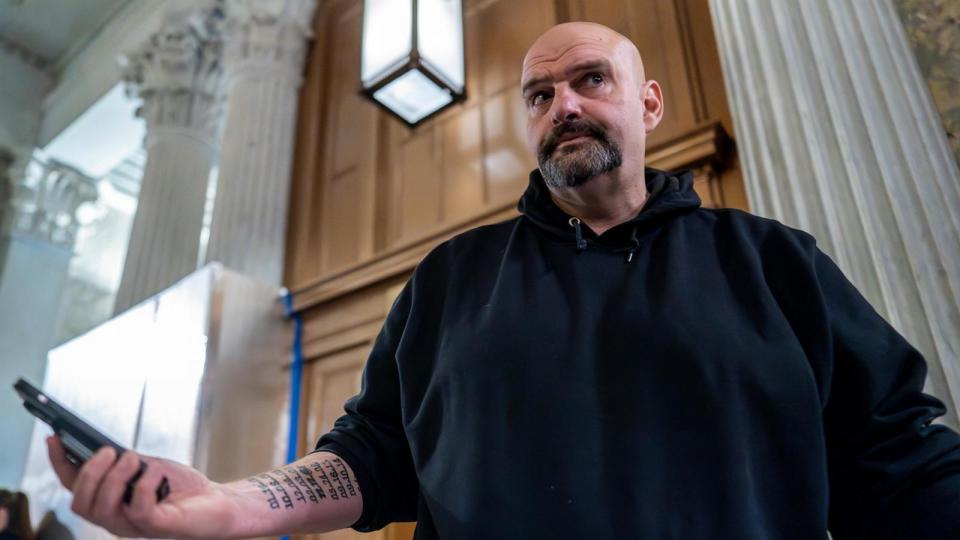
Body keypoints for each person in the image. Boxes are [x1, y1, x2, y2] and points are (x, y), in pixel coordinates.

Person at [46, 21, 960, 540]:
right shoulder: (452, 280)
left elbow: (905, 467)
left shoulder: (776, 263)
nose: (563, 103)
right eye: (539, 92)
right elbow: (374, 455)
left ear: (647, 104)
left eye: (591, 80)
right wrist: (231, 504)